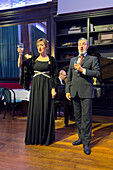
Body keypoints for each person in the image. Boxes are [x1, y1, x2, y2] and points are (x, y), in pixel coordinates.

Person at [18, 38, 58, 145]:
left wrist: (53, 89)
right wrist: (20, 55)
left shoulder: (51, 59)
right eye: (38, 45)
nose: (39, 47)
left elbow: (54, 75)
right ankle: (34, 137)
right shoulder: (34, 59)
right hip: (36, 86)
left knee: (45, 109)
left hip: (46, 86)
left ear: (46, 47)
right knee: (36, 109)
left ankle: (45, 137)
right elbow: (21, 65)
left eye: (41, 45)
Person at [65, 37, 100, 155]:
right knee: (78, 118)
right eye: (79, 44)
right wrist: (67, 91)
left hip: (86, 92)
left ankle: (86, 142)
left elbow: (97, 73)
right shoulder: (72, 60)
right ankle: (80, 138)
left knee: (86, 118)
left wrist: (83, 70)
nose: (81, 46)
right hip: (74, 92)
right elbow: (69, 77)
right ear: (77, 46)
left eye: (84, 44)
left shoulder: (92, 59)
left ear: (87, 46)